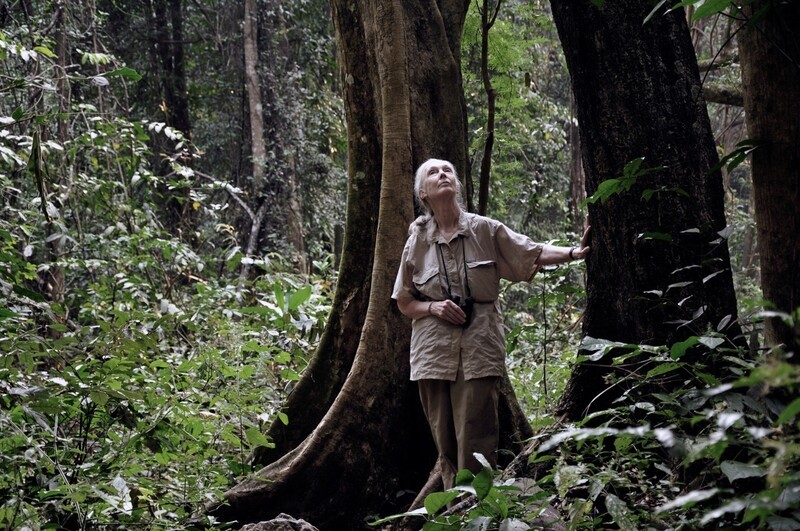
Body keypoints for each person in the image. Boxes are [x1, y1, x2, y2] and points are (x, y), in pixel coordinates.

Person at [391, 158, 590, 490]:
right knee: (445, 440)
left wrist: (574, 252)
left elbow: (532, 252)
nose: (442, 174)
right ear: (423, 194)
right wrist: (434, 306)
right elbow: (404, 301)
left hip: (479, 345)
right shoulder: (417, 241)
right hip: (431, 352)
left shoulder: (484, 229)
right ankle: (454, 504)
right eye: (433, 172)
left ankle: (476, 505)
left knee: (477, 432)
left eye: (447, 171)